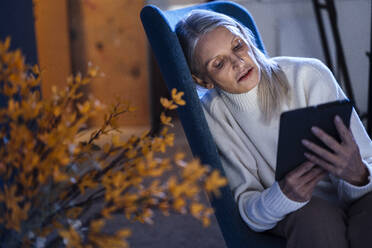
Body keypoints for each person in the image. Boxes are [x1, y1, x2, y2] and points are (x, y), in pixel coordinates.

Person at [176, 9, 372, 248]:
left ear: (248, 39)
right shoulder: (212, 116)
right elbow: (246, 212)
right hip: (298, 213)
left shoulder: (309, 75)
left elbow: (368, 163)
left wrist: (359, 175)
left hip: (356, 196)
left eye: (238, 46)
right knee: (316, 218)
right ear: (204, 81)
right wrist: (283, 196)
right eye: (219, 63)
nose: (238, 62)